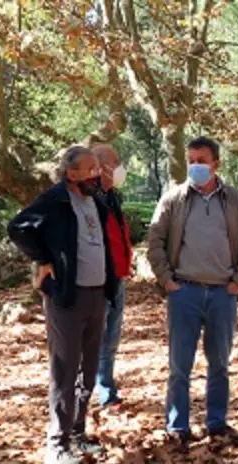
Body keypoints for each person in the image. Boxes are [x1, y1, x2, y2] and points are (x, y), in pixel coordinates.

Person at [147, 136, 238, 448]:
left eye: (202, 160)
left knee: (220, 364)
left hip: (223, 293)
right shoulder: (173, 200)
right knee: (179, 366)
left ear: (216, 164)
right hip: (184, 292)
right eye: (191, 160)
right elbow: (154, 241)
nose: (196, 166)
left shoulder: (235, 200)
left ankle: (217, 423)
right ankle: (177, 426)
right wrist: (168, 281)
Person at [8, 146, 115, 464]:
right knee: (65, 371)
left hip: (98, 295)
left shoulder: (95, 200)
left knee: (88, 368)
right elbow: (18, 228)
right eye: (91, 170)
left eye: (98, 169)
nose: (97, 174)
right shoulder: (55, 200)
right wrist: (44, 260)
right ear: (72, 174)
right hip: (68, 298)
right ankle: (57, 445)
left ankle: (78, 433)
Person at [91, 144, 135, 408]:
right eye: (115, 161)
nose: (119, 167)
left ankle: (107, 389)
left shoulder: (113, 196)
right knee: (95, 338)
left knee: (111, 338)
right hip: (97, 281)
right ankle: (86, 392)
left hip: (118, 276)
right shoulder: (88, 199)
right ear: (100, 167)